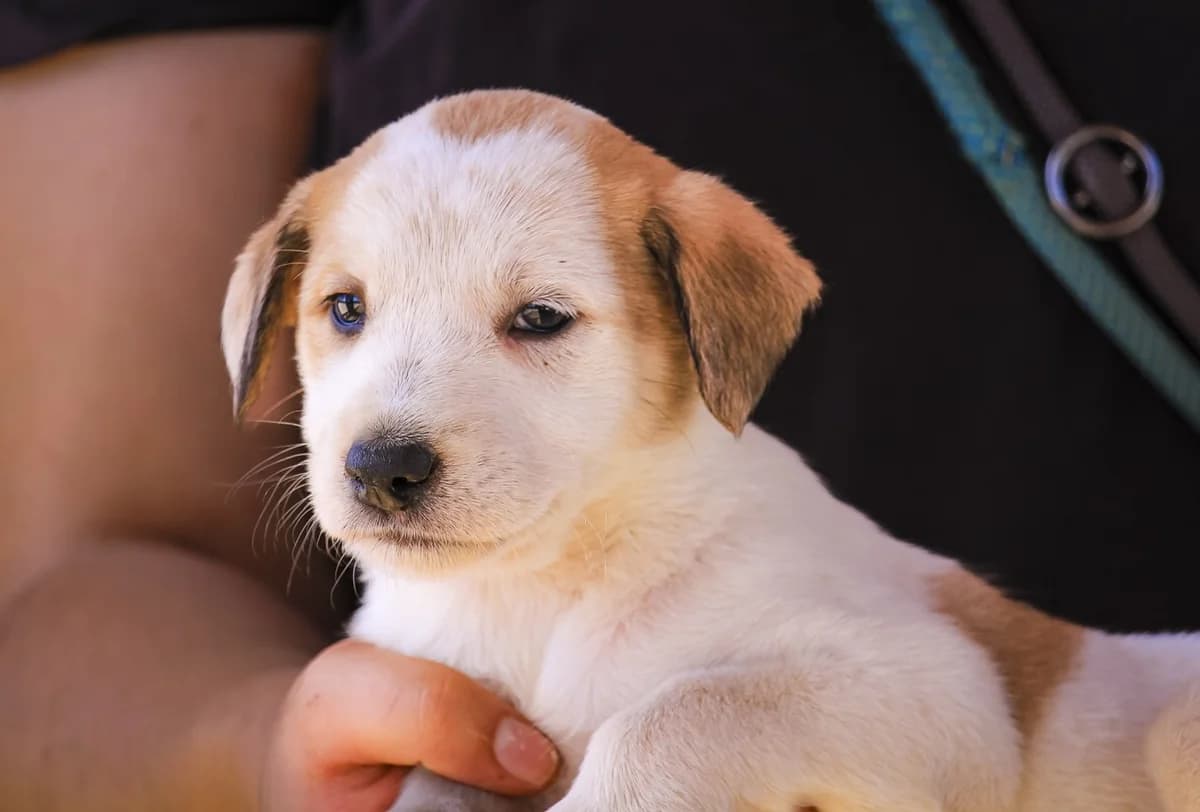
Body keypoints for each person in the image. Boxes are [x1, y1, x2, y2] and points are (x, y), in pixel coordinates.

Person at [2, 1, 1197, 809]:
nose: (392, 428)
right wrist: (271, 743)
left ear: (704, 335)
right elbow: (73, 594)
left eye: (536, 322)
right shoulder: (402, 634)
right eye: (348, 311)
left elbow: (962, 726)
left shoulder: (734, 548)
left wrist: (660, 758)